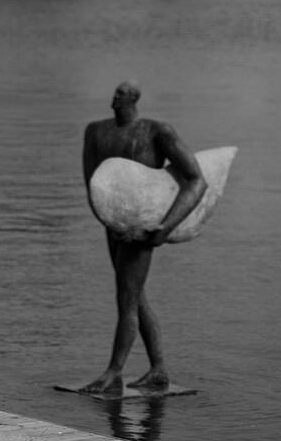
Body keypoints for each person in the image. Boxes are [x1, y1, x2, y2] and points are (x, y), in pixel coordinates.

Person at [81, 82, 207, 395]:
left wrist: (165, 227)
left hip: (143, 229)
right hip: (114, 226)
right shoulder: (95, 131)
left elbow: (197, 180)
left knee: (127, 298)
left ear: (134, 98)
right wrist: (108, 221)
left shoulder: (157, 131)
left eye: (122, 92)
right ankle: (158, 369)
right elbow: (92, 183)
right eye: (115, 91)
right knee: (135, 296)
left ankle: (114, 372)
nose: (115, 96)